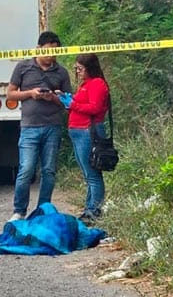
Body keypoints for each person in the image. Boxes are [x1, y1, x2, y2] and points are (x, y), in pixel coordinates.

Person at [6, 31, 72, 222]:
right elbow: (10, 94)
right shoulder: (23, 67)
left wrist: (53, 97)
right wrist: (30, 93)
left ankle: (43, 210)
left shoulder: (61, 72)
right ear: (38, 49)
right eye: (48, 50)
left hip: (53, 126)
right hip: (29, 127)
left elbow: (69, 102)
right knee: (26, 169)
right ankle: (19, 211)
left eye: (55, 51)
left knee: (49, 171)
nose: (51, 55)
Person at [64, 54, 109, 225]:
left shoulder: (97, 83)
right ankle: (89, 208)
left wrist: (73, 104)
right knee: (87, 173)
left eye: (80, 68)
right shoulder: (85, 84)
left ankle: (94, 211)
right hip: (78, 131)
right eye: (76, 68)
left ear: (90, 68)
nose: (77, 72)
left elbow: (95, 108)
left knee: (93, 174)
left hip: (87, 131)